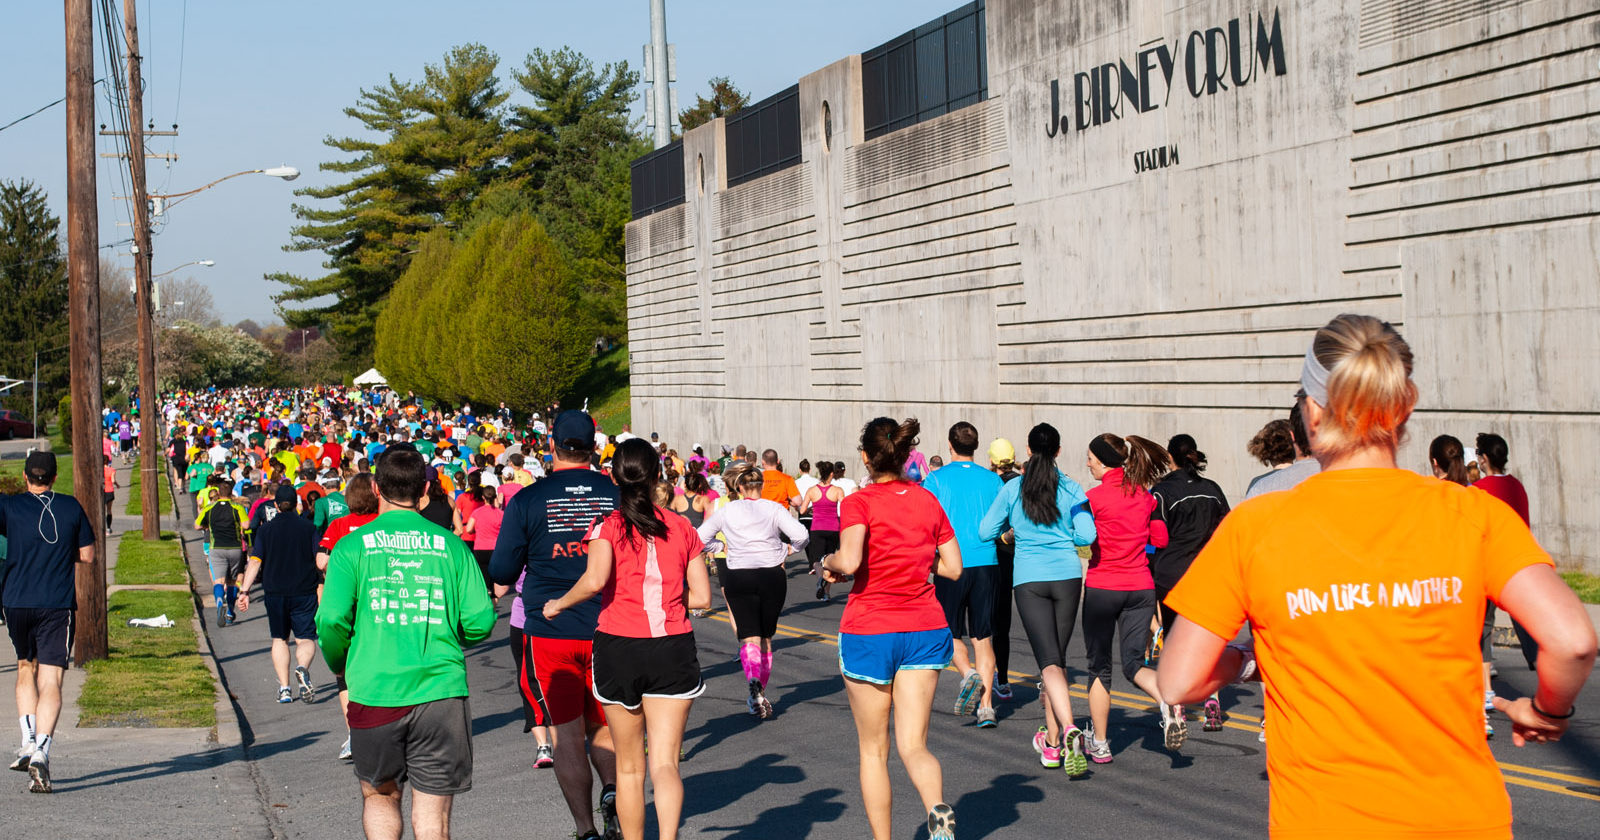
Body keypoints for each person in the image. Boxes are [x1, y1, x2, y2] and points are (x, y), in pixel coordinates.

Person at [1157, 314, 1598, 839]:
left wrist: (1247, 664)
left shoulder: (1256, 527)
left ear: (1313, 413)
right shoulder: (1471, 514)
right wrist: (1549, 710)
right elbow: (1572, 640)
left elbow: (1178, 682)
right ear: (1404, 409)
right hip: (1465, 820)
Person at [316, 446, 497, 840]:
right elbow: (482, 620)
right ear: (425, 489)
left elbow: (330, 620)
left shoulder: (351, 547)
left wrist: (339, 661)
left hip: (375, 688)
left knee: (380, 796)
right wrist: (449, 630)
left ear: (377, 488)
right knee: (433, 816)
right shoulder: (450, 546)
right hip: (441, 690)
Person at [545, 438, 712, 840]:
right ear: (658, 475)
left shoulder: (607, 525)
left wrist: (558, 604)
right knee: (667, 764)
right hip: (672, 645)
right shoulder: (683, 526)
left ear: (614, 477)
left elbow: (595, 580)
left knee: (629, 766)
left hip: (619, 646)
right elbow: (703, 597)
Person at [819, 417, 961, 840]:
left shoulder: (859, 502)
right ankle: (936, 807)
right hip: (924, 627)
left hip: (871, 630)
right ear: (904, 456)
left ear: (865, 456)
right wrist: (914, 558)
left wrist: (827, 564)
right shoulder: (928, 501)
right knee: (914, 745)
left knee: (873, 751)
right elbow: (952, 567)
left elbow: (848, 560)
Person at [489, 410, 623, 840]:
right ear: (595, 449)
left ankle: (585, 829)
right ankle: (613, 792)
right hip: (609, 624)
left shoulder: (528, 499)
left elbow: (503, 570)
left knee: (567, 733)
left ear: (551, 446)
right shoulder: (616, 494)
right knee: (604, 724)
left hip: (551, 628)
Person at [978, 423, 1096, 777]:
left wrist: (1010, 534)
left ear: (1027, 452)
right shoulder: (1073, 488)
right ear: (1058, 451)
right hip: (1067, 576)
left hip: (1029, 579)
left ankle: (1069, 727)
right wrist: (1064, 535)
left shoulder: (1013, 488)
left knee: (1048, 663)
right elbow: (1088, 533)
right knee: (1055, 661)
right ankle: (1054, 742)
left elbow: (986, 531)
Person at [1081, 433, 1184, 761]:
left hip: (1103, 586)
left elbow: (1084, 535)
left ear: (1101, 460)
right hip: (1140, 587)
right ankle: (1165, 700)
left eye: (1090, 458)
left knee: (1099, 667)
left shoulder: (1092, 498)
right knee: (1133, 663)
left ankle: (1100, 743)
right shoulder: (1146, 496)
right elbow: (1161, 537)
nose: (1087, 463)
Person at [0, 453, 94, 793]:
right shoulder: (70, 508)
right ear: (54, 478)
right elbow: (87, 555)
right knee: (51, 676)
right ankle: (41, 749)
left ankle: (26, 739)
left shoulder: (9, 507)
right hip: (55, 603)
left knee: (25, 666)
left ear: (25, 477)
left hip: (15, 601)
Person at [695, 467, 809, 719]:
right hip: (771, 574)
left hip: (739, 574)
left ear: (738, 488)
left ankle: (754, 682)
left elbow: (699, 537)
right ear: (762, 486)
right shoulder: (774, 508)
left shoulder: (727, 510)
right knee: (766, 637)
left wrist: (721, 545)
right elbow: (801, 534)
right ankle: (760, 690)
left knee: (748, 637)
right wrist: (790, 549)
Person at [921, 421, 1003, 726]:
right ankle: (987, 708)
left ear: (949, 445)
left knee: (950, 631)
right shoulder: (993, 480)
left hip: (951, 563)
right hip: (986, 562)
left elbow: (925, 522)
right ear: (977, 446)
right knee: (983, 637)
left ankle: (968, 674)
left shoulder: (936, 480)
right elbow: (1002, 522)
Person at [1148, 433, 1230, 731]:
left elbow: (1155, 537)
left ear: (1170, 457)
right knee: (1207, 643)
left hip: (1171, 576)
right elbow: (1226, 531)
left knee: (1173, 643)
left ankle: (1177, 708)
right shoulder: (1213, 490)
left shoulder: (1161, 492)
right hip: (1206, 575)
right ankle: (1212, 703)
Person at [237, 484, 322, 704]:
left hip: (275, 591)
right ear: (297, 504)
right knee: (305, 638)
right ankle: (302, 667)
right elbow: (318, 560)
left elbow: (255, 562)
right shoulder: (309, 528)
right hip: (304, 590)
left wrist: (244, 590)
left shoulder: (266, 530)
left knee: (280, 639)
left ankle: (285, 688)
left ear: (276, 505)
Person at [318, 473, 380, 762]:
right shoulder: (382, 524)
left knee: (344, 676)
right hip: (377, 602)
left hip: (347, 604)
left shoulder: (340, 525)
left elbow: (321, 560)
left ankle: (355, 735)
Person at [1473, 432, 1539, 671]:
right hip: (1517, 559)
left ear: (1485, 459)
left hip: (1492, 563)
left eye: (1479, 455)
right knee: (1522, 614)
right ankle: (1535, 657)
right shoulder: (1516, 486)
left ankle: (1485, 663)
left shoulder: (1479, 490)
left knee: (1484, 619)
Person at [986, 439, 1021, 701]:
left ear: (991, 460)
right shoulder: (1024, 481)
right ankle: (1006, 680)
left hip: (998, 552)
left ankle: (999, 678)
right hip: (1024, 556)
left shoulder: (993, 483)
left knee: (994, 620)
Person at [197, 482, 251, 628]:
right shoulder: (237, 507)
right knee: (232, 581)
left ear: (219, 493)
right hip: (235, 547)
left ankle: (220, 601)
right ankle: (230, 612)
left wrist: (207, 525)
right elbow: (246, 525)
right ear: (230, 493)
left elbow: (197, 525)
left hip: (216, 547)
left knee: (219, 581)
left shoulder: (210, 507)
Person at [799, 462, 844, 601]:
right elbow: (844, 510)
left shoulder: (812, 490)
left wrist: (811, 509)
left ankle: (820, 580)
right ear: (831, 474)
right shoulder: (838, 490)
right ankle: (827, 593)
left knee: (816, 561)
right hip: (833, 528)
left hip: (817, 528)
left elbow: (802, 510)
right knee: (829, 560)